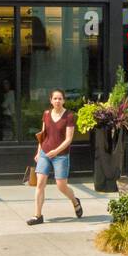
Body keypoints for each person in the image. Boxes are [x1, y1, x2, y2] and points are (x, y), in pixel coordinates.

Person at [28, 89, 83, 225]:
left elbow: (68, 139)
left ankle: (75, 201)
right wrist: (38, 151)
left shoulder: (69, 116)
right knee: (40, 184)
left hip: (61, 155)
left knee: (61, 186)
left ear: (64, 100)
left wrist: (56, 151)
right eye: (55, 98)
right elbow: (43, 134)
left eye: (60, 99)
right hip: (45, 153)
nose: (57, 101)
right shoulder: (46, 114)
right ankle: (38, 216)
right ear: (51, 100)